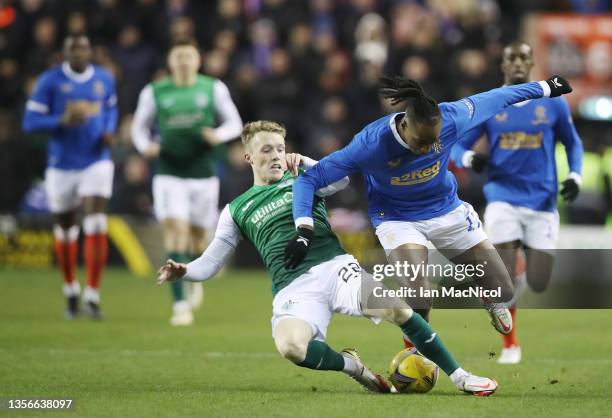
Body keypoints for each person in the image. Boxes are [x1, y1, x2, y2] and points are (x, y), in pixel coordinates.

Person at [157, 120, 499, 396]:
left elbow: (341, 181)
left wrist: (306, 163)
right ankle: (353, 366)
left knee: (397, 307)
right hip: (294, 289)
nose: (276, 155)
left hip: (337, 269)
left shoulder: (306, 181)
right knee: (291, 347)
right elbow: (212, 261)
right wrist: (184, 270)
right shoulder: (237, 209)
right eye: (266, 150)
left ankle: (461, 376)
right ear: (248, 157)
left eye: (280, 147)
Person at [288, 73, 575, 347]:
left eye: (432, 141)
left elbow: (499, 97)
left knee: (504, 290)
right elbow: (310, 178)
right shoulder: (370, 144)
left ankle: (489, 300)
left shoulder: (452, 117)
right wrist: (304, 228)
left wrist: (546, 87)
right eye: (420, 141)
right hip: (397, 218)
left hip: (448, 211)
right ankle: (414, 352)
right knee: (418, 292)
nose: (427, 148)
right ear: (404, 126)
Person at [450, 42, 584, 364]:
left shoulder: (553, 105)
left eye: (525, 57)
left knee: (538, 283)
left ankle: (521, 270)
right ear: (504, 65)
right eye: (512, 58)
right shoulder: (493, 104)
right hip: (503, 198)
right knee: (504, 278)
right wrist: (468, 157)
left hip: (541, 202)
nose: (519, 63)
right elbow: (456, 145)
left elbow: (572, 142)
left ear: (532, 62)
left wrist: (576, 175)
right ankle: (511, 344)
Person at [131, 39, 243, 326]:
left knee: (197, 238)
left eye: (188, 56)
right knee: (175, 233)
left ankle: (194, 276)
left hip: (203, 173)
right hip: (168, 172)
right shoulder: (155, 91)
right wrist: (146, 147)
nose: (183, 61)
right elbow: (139, 127)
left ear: (198, 60)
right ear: (170, 62)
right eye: (178, 56)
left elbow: (234, 123)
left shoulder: (212, 87)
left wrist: (218, 135)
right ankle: (180, 304)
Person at [22, 34, 118, 319]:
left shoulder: (104, 78)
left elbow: (111, 109)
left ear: (90, 52)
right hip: (61, 164)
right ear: (65, 53)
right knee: (65, 227)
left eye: (83, 49)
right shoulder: (49, 81)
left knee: (96, 219)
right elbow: (30, 122)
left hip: (96, 160)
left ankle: (92, 294)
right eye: (72, 50)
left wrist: (108, 132)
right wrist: (59, 120)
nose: (78, 54)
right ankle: (70, 289)